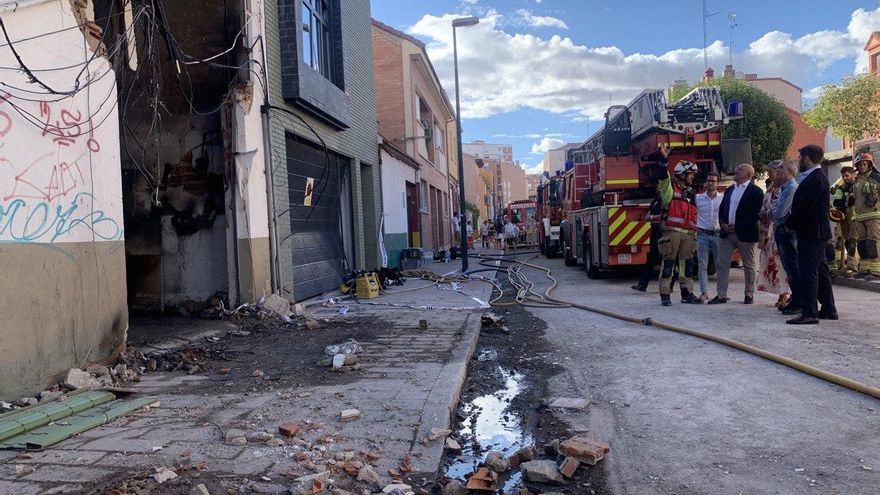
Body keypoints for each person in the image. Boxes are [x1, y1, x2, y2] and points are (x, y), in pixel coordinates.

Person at [785, 144, 837, 324]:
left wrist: (789, 222)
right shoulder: (814, 176)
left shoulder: (815, 178)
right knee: (821, 271)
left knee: (808, 272)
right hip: (815, 232)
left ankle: (809, 312)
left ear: (807, 159)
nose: (799, 162)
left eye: (800, 158)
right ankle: (829, 308)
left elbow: (805, 208)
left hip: (811, 232)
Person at [708, 163, 764, 305]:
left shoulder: (756, 191)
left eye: (740, 169)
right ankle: (721, 295)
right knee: (722, 263)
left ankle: (749, 294)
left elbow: (755, 214)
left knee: (749, 265)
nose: (737, 170)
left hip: (745, 234)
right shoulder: (730, 189)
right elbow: (722, 209)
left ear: (748, 174)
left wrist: (738, 227)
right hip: (726, 234)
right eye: (737, 168)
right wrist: (722, 223)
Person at [655, 144, 702, 306]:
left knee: (686, 266)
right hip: (672, 233)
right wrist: (663, 158)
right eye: (690, 174)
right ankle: (665, 295)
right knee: (668, 264)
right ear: (682, 175)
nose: (693, 177)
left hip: (688, 234)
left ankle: (687, 294)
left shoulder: (691, 193)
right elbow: (662, 175)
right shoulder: (669, 189)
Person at [757, 161, 790, 308]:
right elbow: (764, 207)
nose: (769, 174)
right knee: (774, 264)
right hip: (768, 233)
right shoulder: (770, 189)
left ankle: (786, 294)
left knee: (782, 264)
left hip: (780, 231)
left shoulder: (785, 189)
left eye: (771, 171)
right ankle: (781, 293)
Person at [773, 160, 801, 315]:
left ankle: (798, 301)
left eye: (781, 168)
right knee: (789, 268)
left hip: (787, 231)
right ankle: (796, 299)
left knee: (793, 267)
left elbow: (778, 213)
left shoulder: (791, 188)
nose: (777, 170)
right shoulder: (784, 189)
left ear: (789, 172)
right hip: (782, 230)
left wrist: (772, 212)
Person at [694, 172, 723, 301]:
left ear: (718, 183)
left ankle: (721, 293)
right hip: (702, 235)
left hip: (717, 234)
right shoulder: (698, 198)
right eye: (709, 180)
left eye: (713, 181)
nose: (710, 183)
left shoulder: (722, 198)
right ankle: (704, 292)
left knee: (720, 265)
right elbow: (691, 213)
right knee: (702, 265)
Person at [851, 152, 880, 280]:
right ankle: (864, 270)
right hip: (859, 218)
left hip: (874, 217)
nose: (862, 166)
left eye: (864, 164)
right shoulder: (856, 180)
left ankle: (876, 272)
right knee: (861, 244)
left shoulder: (877, 178)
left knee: (872, 243)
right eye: (860, 164)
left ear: (869, 165)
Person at [632, 184, 664, 292]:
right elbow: (646, 218)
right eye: (657, 186)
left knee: (670, 260)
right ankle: (642, 285)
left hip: (664, 232)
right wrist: (653, 218)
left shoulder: (668, 201)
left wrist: (652, 218)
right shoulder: (655, 201)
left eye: (659, 185)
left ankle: (669, 287)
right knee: (651, 259)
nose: (657, 187)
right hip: (654, 232)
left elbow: (665, 217)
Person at [830, 165, 858, 273]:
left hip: (855, 216)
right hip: (844, 215)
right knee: (845, 241)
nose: (845, 178)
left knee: (852, 240)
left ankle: (852, 266)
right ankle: (844, 265)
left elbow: (856, 199)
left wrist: (846, 200)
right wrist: (846, 201)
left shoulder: (857, 184)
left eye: (847, 175)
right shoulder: (841, 187)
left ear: (852, 174)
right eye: (843, 176)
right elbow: (837, 201)